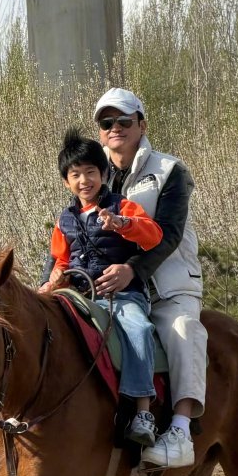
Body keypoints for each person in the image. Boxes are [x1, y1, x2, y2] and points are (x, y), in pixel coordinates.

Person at [91, 88, 206, 469]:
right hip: (108, 288)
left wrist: (132, 270)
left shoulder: (171, 170)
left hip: (167, 286)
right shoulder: (90, 174)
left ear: (141, 123)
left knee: (184, 330)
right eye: (107, 123)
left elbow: (169, 233)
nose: (115, 128)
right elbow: (69, 229)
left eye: (124, 121)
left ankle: (180, 430)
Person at [41, 129, 164, 449]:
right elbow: (60, 259)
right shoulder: (63, 220)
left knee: (138, 330)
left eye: (91, 172)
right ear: (66, 181)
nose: (84, 180)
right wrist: (50, 282)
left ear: (104, 173)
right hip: (78, 297)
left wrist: (123, 224)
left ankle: (142, 412)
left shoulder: (122, 205)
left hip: (121, 296)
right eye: (75, 174)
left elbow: (152, 236)